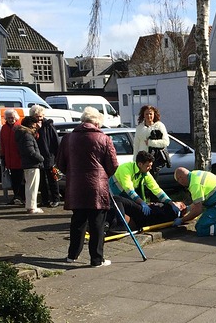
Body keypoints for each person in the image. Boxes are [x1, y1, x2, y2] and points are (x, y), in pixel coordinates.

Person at [57, 106, 119, 268]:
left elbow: (60, 164)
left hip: (76, 185)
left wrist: (73, 173)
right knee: (97, 223)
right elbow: (113, 165)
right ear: (97, 123)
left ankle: (72, 255)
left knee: (78, 221)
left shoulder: (68, 138)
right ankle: (96, 259)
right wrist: (103, 175)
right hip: (97, 186)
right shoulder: (104, 138)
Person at [107, 150, 184, 234]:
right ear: (140, 164)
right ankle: (118, 225)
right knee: (115, 203)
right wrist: (143, 203)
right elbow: (129, 189)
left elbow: (157, 190)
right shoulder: (125, 169)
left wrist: (171, 203)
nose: (150, 168)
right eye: (148, 166)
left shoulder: (145, 172)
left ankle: (118, 225)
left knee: (120, 205)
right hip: (114, 191)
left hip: (133, 200)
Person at [31, 105, 61, 208]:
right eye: (36, 116)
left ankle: (56, 199)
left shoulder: (48, 126)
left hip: (49, 156)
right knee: (41, 181)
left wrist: (56, 155)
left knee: (52, 178)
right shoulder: (31, 126)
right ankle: (44, 200)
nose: (38, 119)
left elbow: (55, 141)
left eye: (40, 116)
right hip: (38, 156)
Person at [15, 115, 44, 214]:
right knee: (32, 186)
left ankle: (30, 205)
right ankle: (32, 207)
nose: (36, 126)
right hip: (32, 164)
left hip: (27, 163)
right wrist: (40, 158)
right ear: (31, 124)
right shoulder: (27, 135)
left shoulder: (22, 134)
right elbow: (30, 151)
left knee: (29, 185)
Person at [134, 105, 170, 177]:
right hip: (142, 160)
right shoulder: (139, 128)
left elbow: (166, 142)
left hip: (154, 160)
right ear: (143, 115)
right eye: (146, 114)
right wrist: (135, 160)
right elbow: (136, 145)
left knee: (153, 182)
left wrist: (151, 143)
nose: (149, 116)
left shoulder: (160, 126)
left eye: (150, 114)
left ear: (154, 114)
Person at [0, 109, 25, 205]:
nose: (11, 119)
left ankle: (21, 197)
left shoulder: (20, 127)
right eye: (9, 118)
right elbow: (2, 143)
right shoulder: (4, 128)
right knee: (14, 180)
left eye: (12, 117)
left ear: (16, 117)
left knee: (21, 180)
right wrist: (2, 156)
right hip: (9, 159)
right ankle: (16, 197)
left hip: (19, 159)